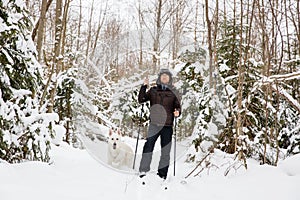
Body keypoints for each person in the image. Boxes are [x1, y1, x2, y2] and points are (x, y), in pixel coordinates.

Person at [138, 68, 181, 181]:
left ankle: (162, 174)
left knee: (165, 151)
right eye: (163, 75)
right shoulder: (153, 90)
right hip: (154, 125)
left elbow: (178, 106)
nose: (164, 77)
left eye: (167, 76)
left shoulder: (174, 92)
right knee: (148, 147)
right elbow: (141, 99)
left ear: (170, 79)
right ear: (159, 78)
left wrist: (177, 112)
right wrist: (144, 86)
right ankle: (143, 169)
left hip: (167, 126)